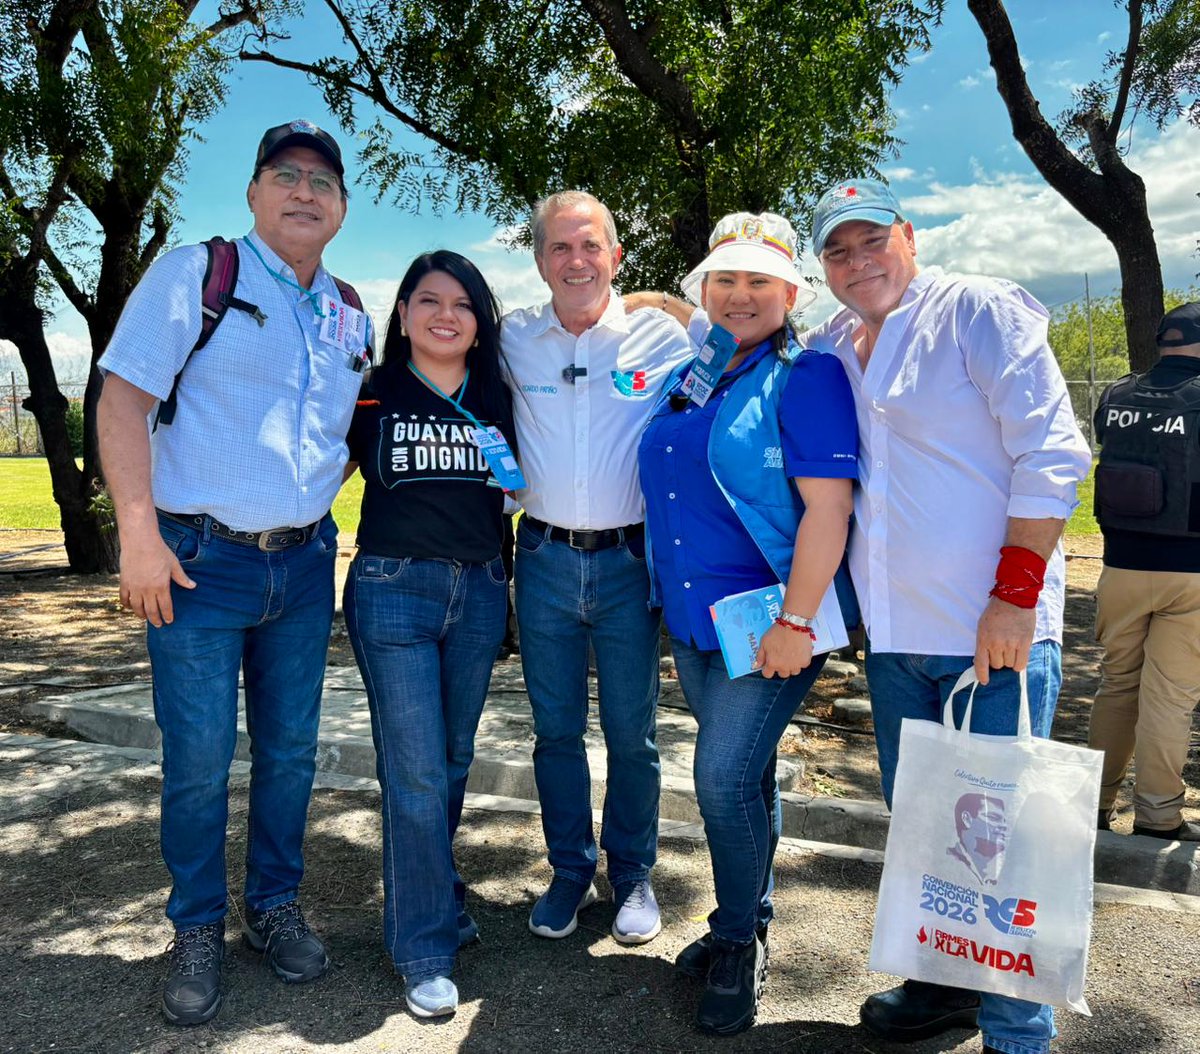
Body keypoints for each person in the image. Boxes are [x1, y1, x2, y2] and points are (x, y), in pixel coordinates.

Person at [804, 178, 1091, 1054]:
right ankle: (944, 987)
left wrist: (1014, 596)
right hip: (898, 640)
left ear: (910, 236)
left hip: (990, 635)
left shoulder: (976, 310)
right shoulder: (833, 343)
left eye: (872, 240)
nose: (858, 262)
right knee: (930, 835)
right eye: (837, 251)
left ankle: (1017, 1030)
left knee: (1004, 845)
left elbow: (1051, 454)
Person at [96, 120, 367, 1026]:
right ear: (254, 192)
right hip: (198, 563)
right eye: (285, 174)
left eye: (322, 181)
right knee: (200, 760)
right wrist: (138, 535)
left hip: (304, 566)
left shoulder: (350, 310)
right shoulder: (198, 274)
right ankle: (197, 926)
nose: (303, 192)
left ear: (341, 208)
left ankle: (274, 906)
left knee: (290, 753)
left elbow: (343, 431)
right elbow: (122, 401)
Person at [638, 213, 857, 1035]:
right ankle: (750, 916)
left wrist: (796, 620)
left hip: (772, 623)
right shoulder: (693, 374)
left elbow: (828, 510)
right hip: (698, 621)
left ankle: (735, 940)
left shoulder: (807, 376)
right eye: (724, 279)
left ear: (790, 292)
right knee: (749, 777)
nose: (739, 294)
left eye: (759, 280)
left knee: (722, 779)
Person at [501, 191, 692, 945]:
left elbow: (735, 333)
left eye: (590, 246)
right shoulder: (513, 337)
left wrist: (662, 300)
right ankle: (570, 871)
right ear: (540, 260)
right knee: (554, 732)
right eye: (559, 247)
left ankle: (633, 873)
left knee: (631, 733)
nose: (575, 260)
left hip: (628, 564)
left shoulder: (662, 338)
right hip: (543, 559)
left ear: (615, 255)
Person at [342, 251, 517, 1018]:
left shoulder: (500, 392)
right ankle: (423, 946)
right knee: (414, 772)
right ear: (404, 311)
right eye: (429, 300)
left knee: (450, 760)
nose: (446, 315)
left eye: (463, 304)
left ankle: (435, 889)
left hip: (478, 592)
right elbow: (314, 469)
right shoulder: (371, 389)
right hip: (392, 592)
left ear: (480, 322)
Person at [1088, 301, 1200, 842]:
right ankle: (1158, 816)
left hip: (1121, 567)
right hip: (1192, 575)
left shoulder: (1117, 395)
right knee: (1170, 697)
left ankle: (1091, 805)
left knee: (1117, 686)